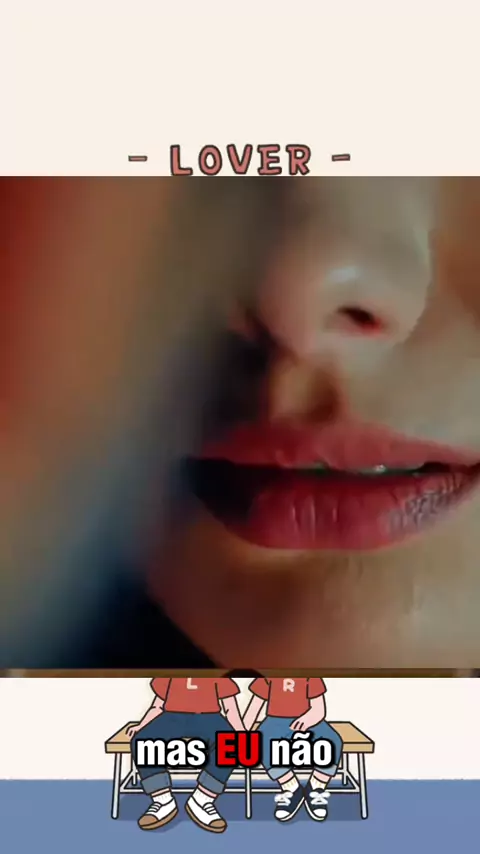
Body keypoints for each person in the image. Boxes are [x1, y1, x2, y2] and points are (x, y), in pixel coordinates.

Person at [127, 676, 244, 833]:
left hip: (209, 717)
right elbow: (158, 705)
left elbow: (230, 707)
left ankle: (203, 799)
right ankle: (162, 799)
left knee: (231, 743)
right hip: (172, 716)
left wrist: (242, 733)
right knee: (143, 740)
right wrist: (142, 725)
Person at [243, 677, 342, 822]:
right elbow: (254, 707)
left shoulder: (310, 674)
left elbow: (318, 709)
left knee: (333, 740)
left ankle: (317, 786)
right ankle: (290, 787)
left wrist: (308, 719)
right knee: (262, 741)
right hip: (274, 721)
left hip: (308, 720)